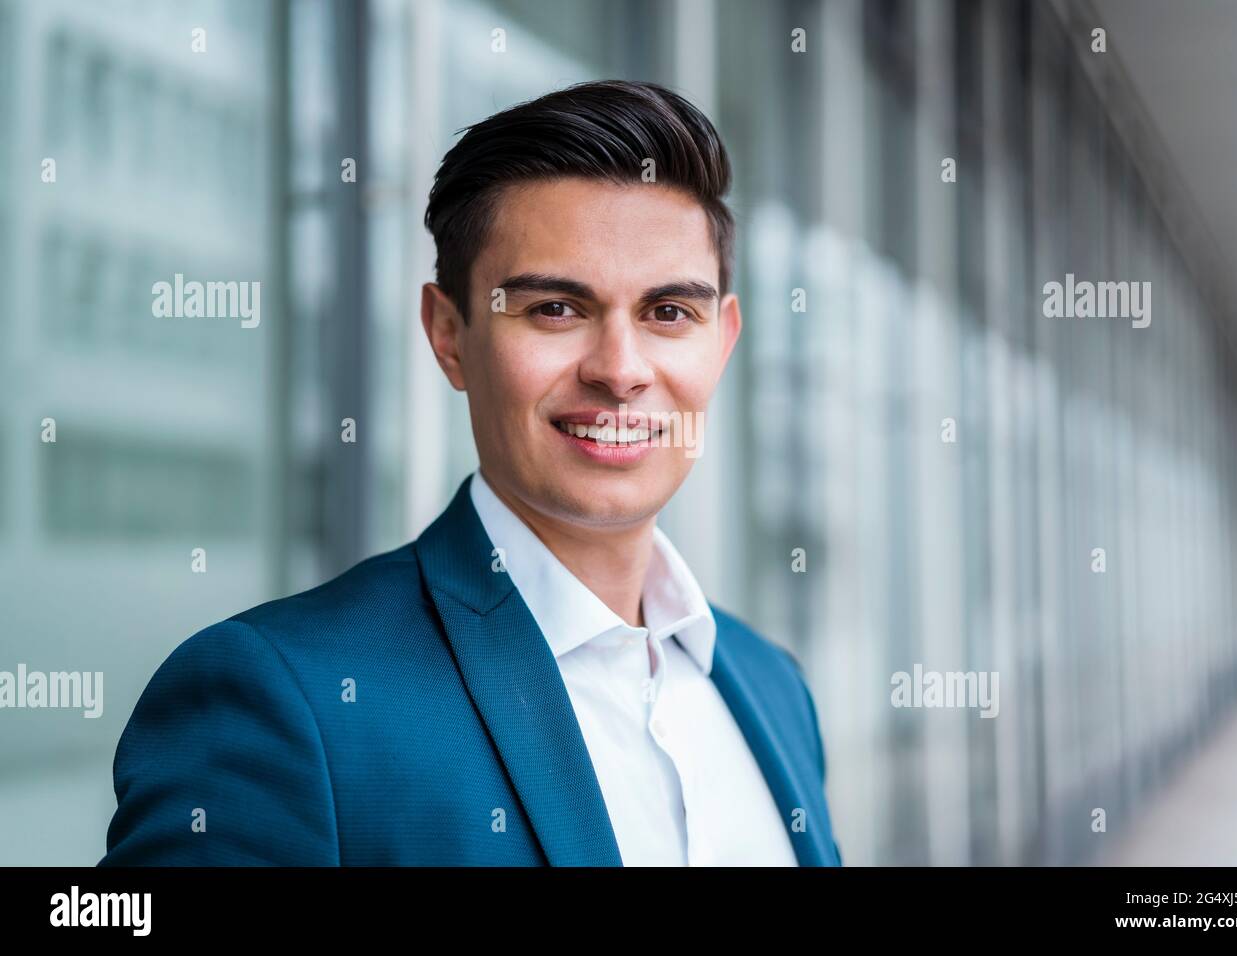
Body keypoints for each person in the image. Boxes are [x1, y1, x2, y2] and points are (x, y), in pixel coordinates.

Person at [100, 80, 841, 866]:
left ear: (722, 341)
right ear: (450, 334)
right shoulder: (283, 699)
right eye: (555, 308)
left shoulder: (773, 689)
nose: (620, 371)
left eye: (668, 313)